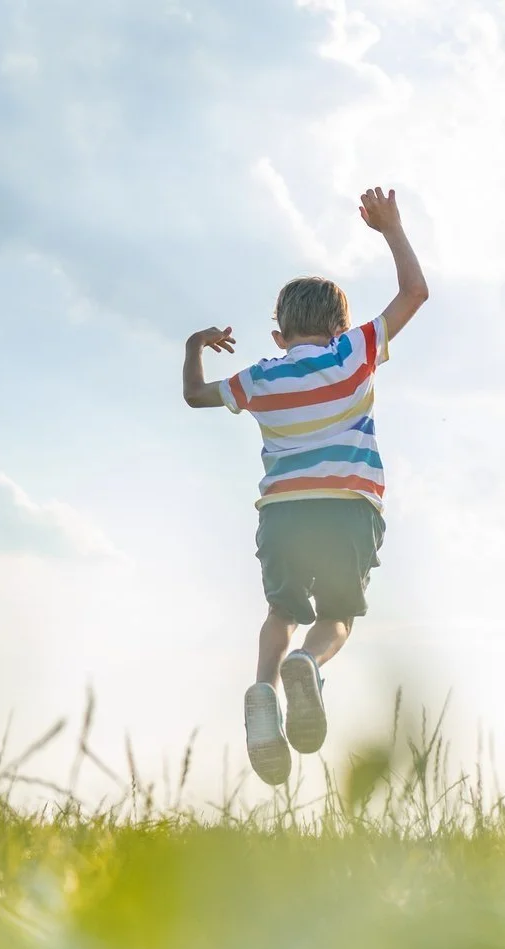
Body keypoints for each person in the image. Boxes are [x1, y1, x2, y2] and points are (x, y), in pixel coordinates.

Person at [181, 187, 428, 786]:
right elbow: (415, 293)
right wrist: (391, 228)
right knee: (338, 616)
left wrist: (194, 347)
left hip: (284, 513)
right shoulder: (354, 352)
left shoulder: (260, 377)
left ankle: (265, 690)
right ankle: (307, 664)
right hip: (348, 507)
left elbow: (194, 395)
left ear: (280, 333)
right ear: (339, 325)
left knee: (280, 608)